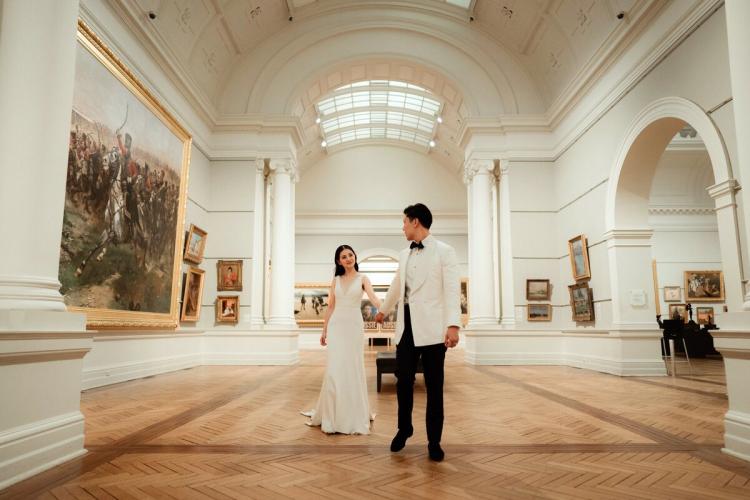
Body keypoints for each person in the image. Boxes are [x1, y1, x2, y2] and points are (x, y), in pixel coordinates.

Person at [376, 203, 460, 462]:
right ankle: (405, 429)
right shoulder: (404, 254)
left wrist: (453, 325)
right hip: (406, 328)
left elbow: (452, 290)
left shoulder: (445, 252)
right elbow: (396, 286)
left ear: (415, 221)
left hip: (434, 330)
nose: (402, 227)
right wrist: (383, 310)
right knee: (404, 383)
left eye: (404, 222)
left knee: (435, 387)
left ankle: (434, 441)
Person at [302, 245, 382, 434]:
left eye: (350, 255)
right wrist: (324, 331)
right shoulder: (336, 280)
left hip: (354, 326)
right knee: (334, 369)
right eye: (343, 256)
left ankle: (352, 414)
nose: (348, 258)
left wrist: (384, 308)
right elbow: (330, 307)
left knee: (352, 367)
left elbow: (373, 298)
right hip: (336, 326)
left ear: (355, 257)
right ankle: (332, 415)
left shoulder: (363, 279)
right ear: (338, 261)